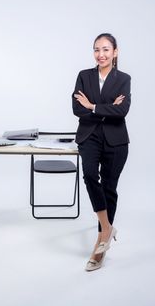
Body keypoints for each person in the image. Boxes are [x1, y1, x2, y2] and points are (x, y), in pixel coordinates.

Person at [72, 33, 131, 271]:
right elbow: (77, 108)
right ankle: (107, 229)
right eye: (97, 49)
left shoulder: (124, 79)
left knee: (109, 188)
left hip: (116, 140)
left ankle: (100, 244)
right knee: (88, 174)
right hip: (89, 136)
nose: (101, 54)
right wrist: (107, 109)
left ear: (115, 52)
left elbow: (123, 111)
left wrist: (93, 106)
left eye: (106, 49)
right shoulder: (84, 76)